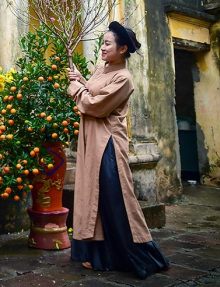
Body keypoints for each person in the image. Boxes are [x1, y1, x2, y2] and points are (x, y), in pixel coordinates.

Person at [66, 21, 170, 279]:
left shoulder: (124, 78)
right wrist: (81, 79)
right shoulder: (103, 68)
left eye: (107, 44)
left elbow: (95, 106)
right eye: (102, 43)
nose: (102, 48)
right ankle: (98, 254)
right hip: (93, 138)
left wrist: (76, 89)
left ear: (122, 49)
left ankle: (129, 255)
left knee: (113, 196)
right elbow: (93, 90)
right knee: (93, 195)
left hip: (108, 142)